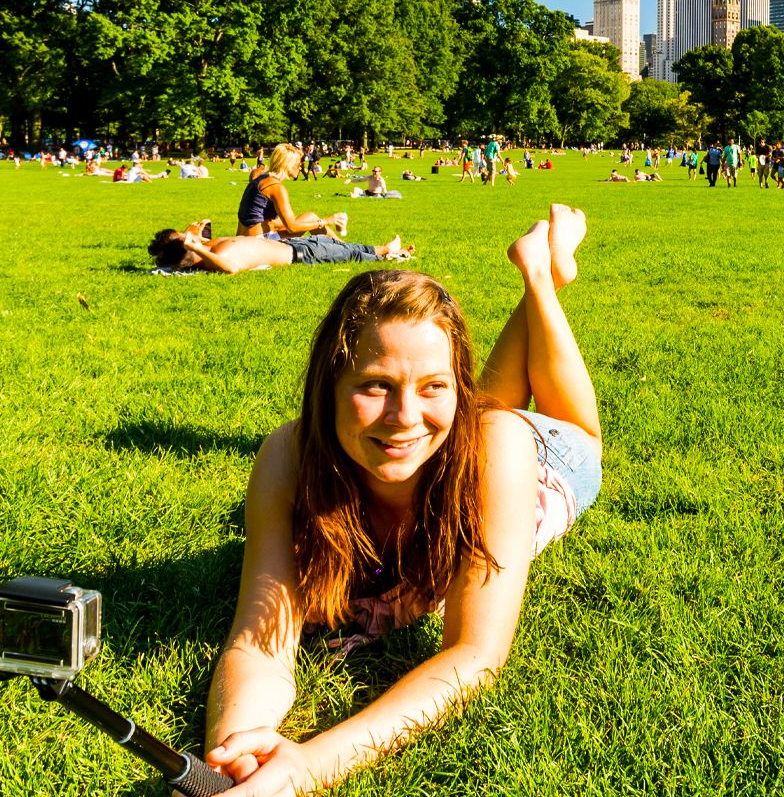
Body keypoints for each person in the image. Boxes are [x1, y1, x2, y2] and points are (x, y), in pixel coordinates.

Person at [201, 208, 600, 794]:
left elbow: (475, 654)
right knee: (452, 421)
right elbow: (259, 640)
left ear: (456, 390)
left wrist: (310, 766)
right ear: (328, 384)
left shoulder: (498, 442)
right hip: (467, 436)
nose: (405, 415)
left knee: (554, 426)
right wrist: (238, 749)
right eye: (375, 385)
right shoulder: (289, 456)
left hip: (550, 459)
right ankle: (537, 267)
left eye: (435, 386)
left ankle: (541, 277)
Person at [150, 221, 412, 274]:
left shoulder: (207, 249)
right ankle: (388, 252)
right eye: (188, 239)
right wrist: (198, 247)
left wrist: (194, 234)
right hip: (301, 254)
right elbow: (230, 268)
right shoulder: (215, 257)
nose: (192, 236)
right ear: (188, 251)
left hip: (293, 245)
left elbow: (204, 225)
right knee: (348, 253)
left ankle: (387, 250)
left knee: (341, 245)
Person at [239, 144, 346, 239]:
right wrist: (326, 221)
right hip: (258, 240)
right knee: (312, 220)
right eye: (298, 163)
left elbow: (270, 221)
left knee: (310, 217)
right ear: (287, 164)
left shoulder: (262, 178)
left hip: (244, 236)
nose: (300, 167)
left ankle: (344, 246)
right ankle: (345, 249)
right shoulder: (275, 187)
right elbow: (292, 228)